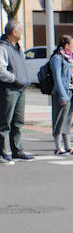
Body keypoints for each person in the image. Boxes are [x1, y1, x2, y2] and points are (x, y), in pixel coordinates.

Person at [0, 20, 31, 164]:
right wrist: (15, 79)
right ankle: (1, 152)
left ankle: (17, 150)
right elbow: (1, 70)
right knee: (4, 122)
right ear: (14, 32)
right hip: (9, 89)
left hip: (20, 89)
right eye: (20, 29)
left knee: (18, 122)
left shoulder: (18, 48)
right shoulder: (3, 48)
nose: (22, 32)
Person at [48, 35, 73, 156]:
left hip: (70, 92)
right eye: (72, 44)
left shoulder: (69, 58)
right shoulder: (57, 58)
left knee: (67, 121)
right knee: (58, 120)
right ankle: (58, 147)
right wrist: (62, 96)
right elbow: (57, 78)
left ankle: (68, 146)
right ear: (66, 45)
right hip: (61, 93)